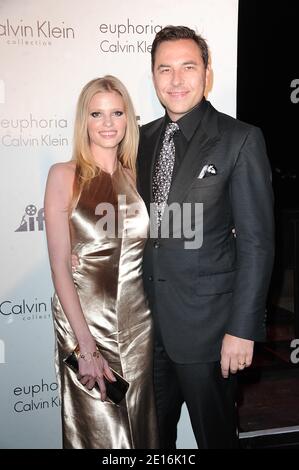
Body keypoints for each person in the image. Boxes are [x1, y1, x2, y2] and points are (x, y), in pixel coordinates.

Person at [137, 26, 275, 448]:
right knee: (152, 441)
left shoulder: (240, 139)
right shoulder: (140, 140)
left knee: (215, 440)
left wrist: (242, 329)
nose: (175, 80)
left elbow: (257, 243)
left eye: (187, 67)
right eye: (165, 69)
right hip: (146, 331)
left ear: (207, 73)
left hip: (210, 333)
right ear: (154, 76)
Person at [44, 75, 158, 449]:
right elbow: (61, 266)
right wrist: (86, 349)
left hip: (138, 324)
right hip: (85, 324)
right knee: (100, 433)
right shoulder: (65, 175)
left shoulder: (136, 174)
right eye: (97, 114)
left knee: (139, 429)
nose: (108, 123)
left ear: (129, 119)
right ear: (84, 121)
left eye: (116, 113)